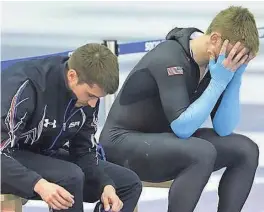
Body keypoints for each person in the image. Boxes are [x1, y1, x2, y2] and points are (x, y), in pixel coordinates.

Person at [99, 6, 260, 212]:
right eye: (233, 56)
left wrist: (235, 77)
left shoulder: (218, 65)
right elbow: (183, 128)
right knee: (201, 152)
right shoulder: (170, 57)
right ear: (215, 39)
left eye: (240, 59)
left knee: (245, 149)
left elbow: (223, 127)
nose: (232, 62)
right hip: (121, 144)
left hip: (163, 142)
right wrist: (218, 83)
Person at [1, 43, 142, 212]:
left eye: (98, 98)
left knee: (127, 184)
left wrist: (105, 184)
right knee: (70, 176)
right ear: (72, 76)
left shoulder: (88, 97)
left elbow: (83, 151)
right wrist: (38, 183)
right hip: (8, 156)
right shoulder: (25, 86)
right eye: (90, 95)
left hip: (43, 154)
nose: (93, 104)